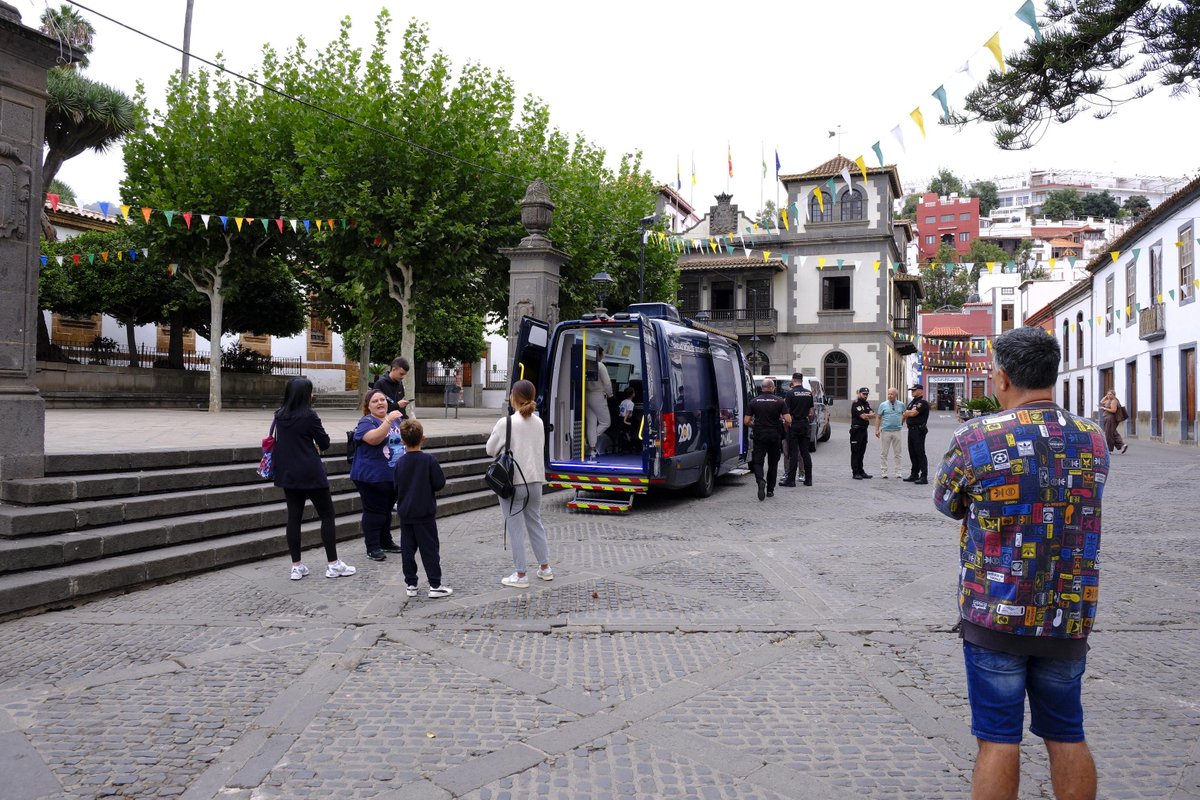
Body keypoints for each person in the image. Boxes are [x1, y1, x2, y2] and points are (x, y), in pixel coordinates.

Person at [933, 326, 1108, 800]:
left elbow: (947, 502)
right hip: (1067, 613)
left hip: (997, 610)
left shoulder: (977, 437)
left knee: (997, 738)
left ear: (1004, 378)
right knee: (1067, 732)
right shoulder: (1093, 439)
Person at [271, 377, 355, 580]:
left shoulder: (279, 415)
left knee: (294, 517)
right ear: (305, 394)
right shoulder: (309, 416)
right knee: (327, 515)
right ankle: (333, 564)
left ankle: (296, 566)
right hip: (310, 471)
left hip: (288, 473)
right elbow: (324, 443)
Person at [486, 379, 553, 588]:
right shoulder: (539, 422)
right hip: (535, 479)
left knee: (515, 527)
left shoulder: (506, 422)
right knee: (535, 523)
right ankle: (545, 568)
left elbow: (490, 449)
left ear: (513, 397)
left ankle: (521, 574)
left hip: (513, 482)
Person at [393, 419, 452, 598]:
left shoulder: (400, 463)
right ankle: (435, 584)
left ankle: (411, 583)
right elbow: (439, 483)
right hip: (424, 512)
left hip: (405, 512)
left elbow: (396, 486)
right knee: (430, 549)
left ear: (402, 441)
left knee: (407, 550)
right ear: (423, 438)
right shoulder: (429, 460)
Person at [350, 389, 405, 562]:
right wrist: (388, 421)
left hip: (391, 475)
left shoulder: (397, 419)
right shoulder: (366, 422)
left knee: (387, 511)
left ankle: (386, 541)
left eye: (382, 399)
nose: (380, 403)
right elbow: (373, 439)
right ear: (368, 406)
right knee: (374, 512)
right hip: (370, 476)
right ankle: (372, 546)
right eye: (375, 401)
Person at [745, 378, 791, 500]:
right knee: (773, 463)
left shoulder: (754, 401)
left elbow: (746, 421)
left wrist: (754, 425)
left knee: (758, 462)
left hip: (759, 434)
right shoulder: (780, 401)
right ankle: (770, 490)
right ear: (772, 388)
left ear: (762, 388)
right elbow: (788, 420)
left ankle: (760, 481)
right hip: (775, 435)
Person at [780, 373, 813, 487]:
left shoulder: (790, 393)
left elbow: (786, 413)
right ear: (802, 380)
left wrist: (787, 425)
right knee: (805, 452)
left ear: (793, 380)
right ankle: (808, 479)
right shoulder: (809, 393)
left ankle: (791, 480)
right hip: (805, 424)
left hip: (794, 425)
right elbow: (811, 412)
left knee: (793, 453)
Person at [584, 347, 613, 460]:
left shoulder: (585, 365)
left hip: (587, 395)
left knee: (591, 423)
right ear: (600, 354)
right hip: (598, 395)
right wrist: (610, 395)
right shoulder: (600, 366)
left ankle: (591, 448)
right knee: (606, 422)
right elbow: (607, 383)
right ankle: (591, 441)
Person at [902, 383, 931, 484]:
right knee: (912, 452)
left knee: (920, 453)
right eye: (911, 390)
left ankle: (924, 476)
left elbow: (913, 413)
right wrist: (907, 412)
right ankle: (914, 474)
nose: (912, 392)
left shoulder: (922, 403)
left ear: (920, 390)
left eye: (914, 390)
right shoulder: (912, 402)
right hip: (911, 430)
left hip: (918, 430)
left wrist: (907, 412)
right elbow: (907, 413)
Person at [874, 386, 905, 479]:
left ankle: (898, 472)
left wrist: (902, 422)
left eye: (891, 394)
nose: (889, 395)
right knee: (884, 453)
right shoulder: (883, 405)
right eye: (888, 394)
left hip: (897, 431)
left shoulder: (901, 404)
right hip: (886, 431)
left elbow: (905, 413)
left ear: (896, 395)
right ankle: (884, 471)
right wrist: (877, 429)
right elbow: (878, 417)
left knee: (898, 453)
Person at [849, 386, 876, 479]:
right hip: (857, 431)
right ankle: (855, 472)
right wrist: (869, 415)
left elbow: (873, 415)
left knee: (862, 452)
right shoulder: (856, 404)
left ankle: (861, 471)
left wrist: (868, 415)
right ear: (859, 393)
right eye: (864, 394)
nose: (865, 396)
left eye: (867, 394)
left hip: (864, 430)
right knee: (855, 452)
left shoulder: (866, 404)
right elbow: (863, 417)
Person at [1099, 390, 1128, 454]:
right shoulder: (1108, 400)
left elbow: (1113, 410)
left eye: (1110, 394)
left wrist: (1104, 409)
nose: (1109, 396)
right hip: (1107, 418)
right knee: (1113, 432)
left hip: (1110, 419)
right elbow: (1101, 402)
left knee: (1108, 434)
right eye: (1108, 394)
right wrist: (1106, 396)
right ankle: (1122, 445)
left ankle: (1110, 450)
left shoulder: (1114, 401)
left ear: (1114, 395)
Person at [617, 386, 637, 453]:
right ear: (632, 394)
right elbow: (628, 413)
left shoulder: (623, 401)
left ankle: (627, 438)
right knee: (636, 426)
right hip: (626, 420)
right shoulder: (631, 403)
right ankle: (632, 444)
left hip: (620, 419)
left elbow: (620, 411)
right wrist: (625, 421)